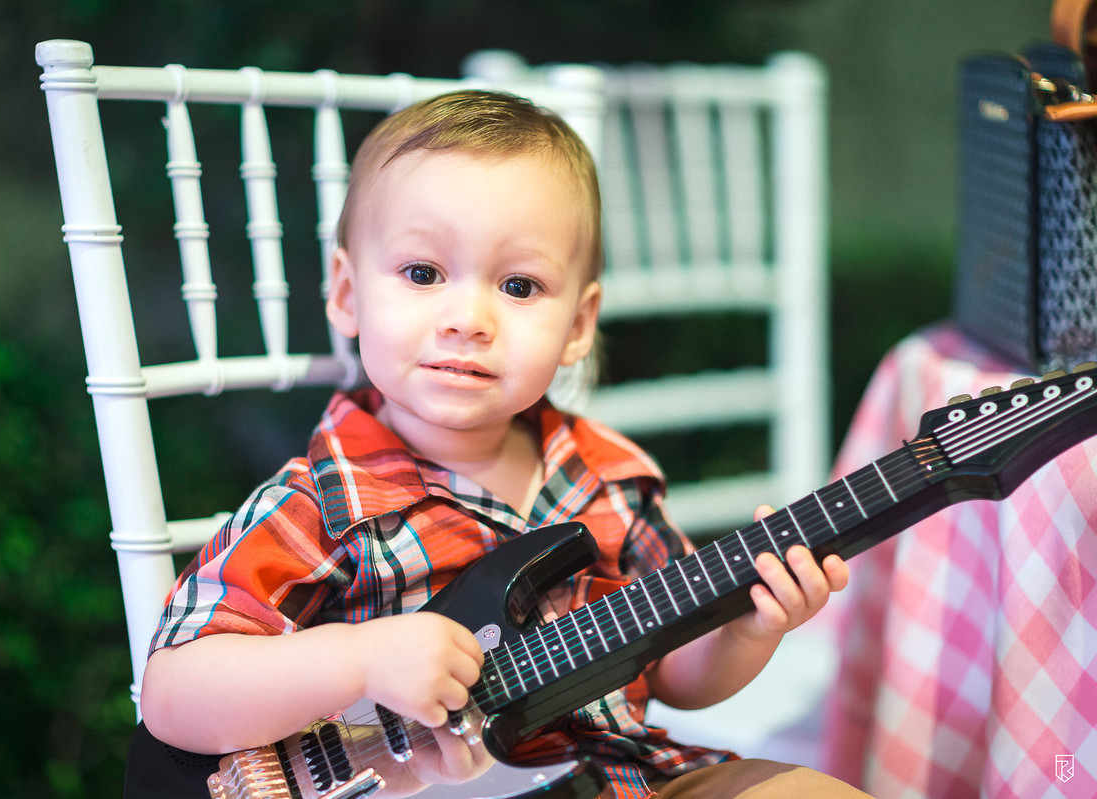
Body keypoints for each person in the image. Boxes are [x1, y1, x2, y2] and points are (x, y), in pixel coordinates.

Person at [140, 89, 868, 799]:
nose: (470, 318)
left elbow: (675, 670)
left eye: (519, 286)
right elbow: (172, 691)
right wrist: (358, 660)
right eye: (423, 273)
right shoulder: (318, 507)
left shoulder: (611, 478)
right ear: (347, 293)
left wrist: (745, 626)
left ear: (579, 324)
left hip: (625, 775)